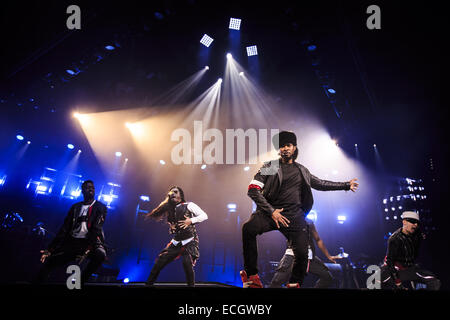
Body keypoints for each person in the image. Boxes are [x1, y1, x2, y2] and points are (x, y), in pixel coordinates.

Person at [241, 131, 358, 288]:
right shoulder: (271, 166)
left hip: (295, 217)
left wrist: (345, 185)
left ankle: (294, 284)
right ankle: (252, 277)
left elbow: (321, 184)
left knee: (303, 254)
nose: (285, 148)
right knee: (248, 228)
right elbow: (252, 190)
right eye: (281, 146)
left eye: (288, 145)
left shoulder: (302, 170)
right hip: (273, 213)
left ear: (294, 148)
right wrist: (271, 211)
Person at [36, 180, 107, 285]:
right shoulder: (75, 207)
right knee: (50, 260)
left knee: (100, 254)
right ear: (82, 191)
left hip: (89, 242)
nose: (91, 189)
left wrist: (88, 248)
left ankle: (80, 282)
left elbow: (96, 229)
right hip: (73, 242)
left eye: (92, 187)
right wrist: (50, 249)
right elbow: (64, 229)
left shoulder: (100, 207)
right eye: (87, 187)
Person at [144, 186, 208, 287]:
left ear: (180, 195)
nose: (172, 194)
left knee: (187, 263)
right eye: (170, 193)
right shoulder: (170, 209)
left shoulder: (189, 205)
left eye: (175, 192)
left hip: (190, 240)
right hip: (177, 242)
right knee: (160, 262)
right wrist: (173, 228)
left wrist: (190, 220)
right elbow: (174, 225)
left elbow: (204, 216)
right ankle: (148, 285)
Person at [269, 219, 340, 288]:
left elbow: (318, 239)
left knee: (327, 277)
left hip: (308, 257)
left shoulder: (309, 222)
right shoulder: (290, 219)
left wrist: (329, 256)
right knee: (276, 282)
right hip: (292, 256)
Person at [379, 211, 440, 290]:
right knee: (377, 283)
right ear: (404, 222)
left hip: (410, 269)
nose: (415, 225)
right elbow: (389, 262)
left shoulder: (416, 234)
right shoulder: (394, 239)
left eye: (417, 223)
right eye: (412, 222)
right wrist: (398, 282)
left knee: (434, 281)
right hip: (395, 270)